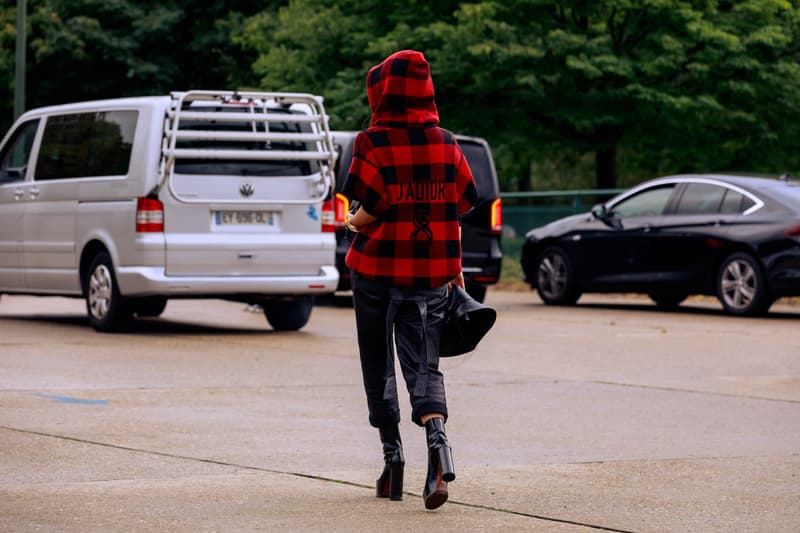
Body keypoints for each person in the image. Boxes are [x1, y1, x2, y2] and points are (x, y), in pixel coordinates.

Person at [341, 49, 478, 510]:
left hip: (377, 271)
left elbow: (372, 204)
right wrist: (454, 265)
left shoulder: (371, 142)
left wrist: (353, 223)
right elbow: (461, 202)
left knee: (377, 362)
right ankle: (439, 449)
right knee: (425, 364)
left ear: (383, 91)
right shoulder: (447, 141)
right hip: (430, 276)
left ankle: (393, 461)